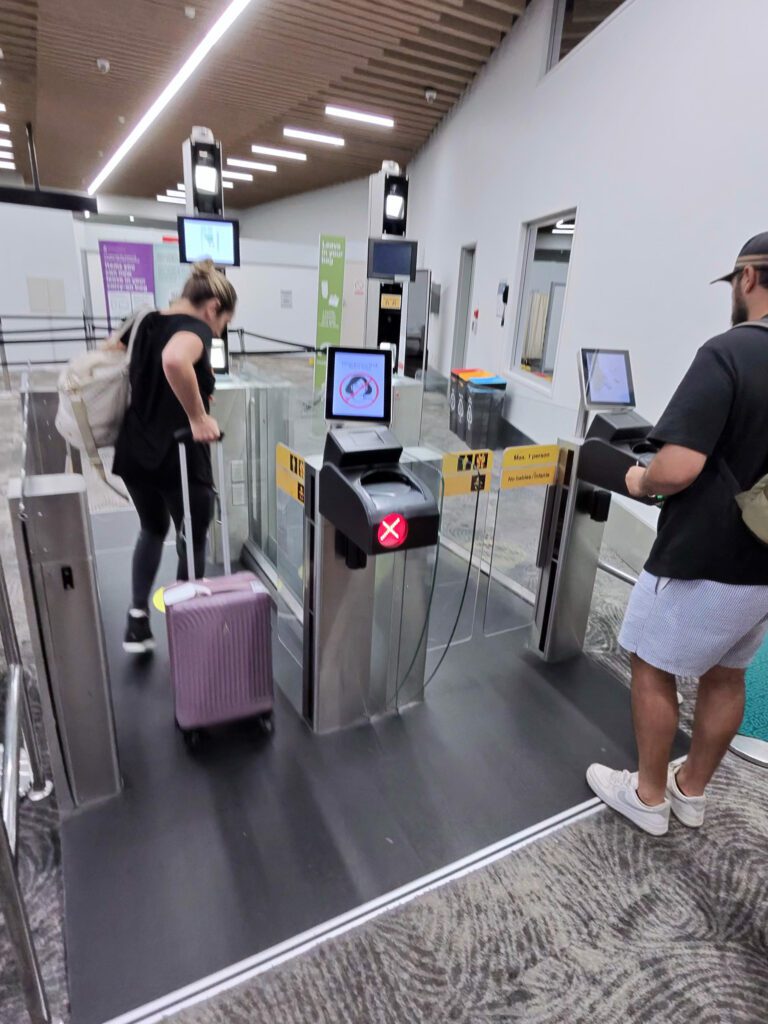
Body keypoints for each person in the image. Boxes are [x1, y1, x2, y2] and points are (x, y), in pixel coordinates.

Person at [587, 232, 768, 836]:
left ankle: (648, 796)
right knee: (728, 674)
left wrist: (639, 479)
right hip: (762, 565)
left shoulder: (728, 353)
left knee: (651, 665)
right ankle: (691, 791)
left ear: (747, 280)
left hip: (701, 556)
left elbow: (677, 468)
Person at [112, 260, 237, 654]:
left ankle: (137, 624)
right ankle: (189, 635)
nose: (218, 332)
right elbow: (173, 359)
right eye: (223, 324)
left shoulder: (144, 320)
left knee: (152, 529)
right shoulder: (196, 328)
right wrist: (199, 417)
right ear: (212, 307)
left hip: (135, 449)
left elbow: (115, 356)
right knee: (192, 537)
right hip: (178, 454)